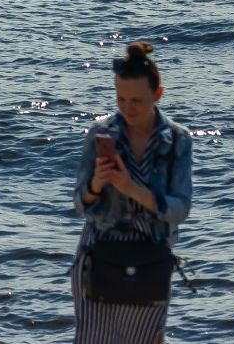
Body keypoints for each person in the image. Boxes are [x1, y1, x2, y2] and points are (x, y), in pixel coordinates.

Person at [72, 40, 192, 344]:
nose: (128, 108)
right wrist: (96, 186)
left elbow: (181, 210)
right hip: (100, 255)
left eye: (137, 101)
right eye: (121, 99)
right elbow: (79, 204)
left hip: (149, 260)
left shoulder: (177, 140)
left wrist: (131, 189)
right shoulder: (101, 133)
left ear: (158, 95)